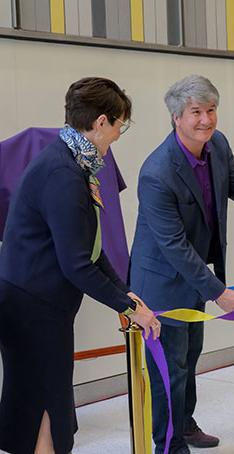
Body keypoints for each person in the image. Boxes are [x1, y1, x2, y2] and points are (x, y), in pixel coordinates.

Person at [0, 77, 161, 454]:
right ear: (101, 122)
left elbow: (88, 249)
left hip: (39, 305)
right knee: (43, 405)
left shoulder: (71, 162)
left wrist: (125, 293)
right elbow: (76, 265)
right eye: (121, 124)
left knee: (45, 406)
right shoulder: (63, 174)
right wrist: (129, 307)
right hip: (33, 309)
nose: (120, 134)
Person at [130, 74, 234, 454]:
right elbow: (173, 245)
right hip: (161, 282)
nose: (206, 120)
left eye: (211, 110)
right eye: (196, 112)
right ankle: (169, 445)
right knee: (168, 370)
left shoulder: (217, 145)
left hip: (195, 278)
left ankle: (185, 423)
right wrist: (219, 292)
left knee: (188, 360)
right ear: (177, 117)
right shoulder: (156, 172)